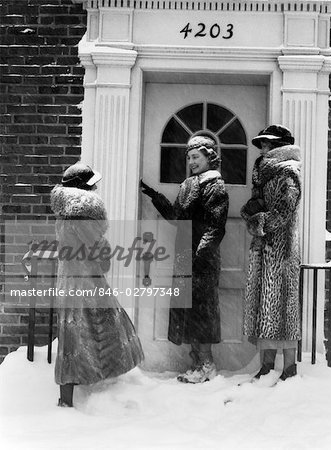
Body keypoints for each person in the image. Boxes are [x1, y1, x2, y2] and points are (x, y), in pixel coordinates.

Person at [51, 162, 144, 407]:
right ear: (85, 189)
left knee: (73, 337)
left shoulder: (65, 213)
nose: (97, 188)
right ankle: (73, 398)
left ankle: (70, 396)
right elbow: (100, 259)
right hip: (85, 284)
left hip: (71, 283)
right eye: (93, 184)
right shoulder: (84, 215)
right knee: (98, 332)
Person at [141, 135, 229, 383]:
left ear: (209, 157)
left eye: (196, 157)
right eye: (189, 157)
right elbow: (176, 217)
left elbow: (216, 227)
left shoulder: (215, 186)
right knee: (187, 311)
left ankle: (207, 365)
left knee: (202, 312)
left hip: (202, 259)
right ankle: (195, 363)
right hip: (184, 256)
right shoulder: (189, 184)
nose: (191, 161)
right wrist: (155, 196)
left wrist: (200, 255)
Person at [241, 125, 302, 381]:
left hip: (283, 251)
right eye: (262, 144)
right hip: (265, 249)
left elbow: (284, 213)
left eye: (267, 144)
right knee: (265, 308)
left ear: (278, 146)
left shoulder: (288, 174)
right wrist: (251, 213)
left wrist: (259, 222)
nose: (263, 148)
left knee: (285, 309)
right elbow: (255, 205)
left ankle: (289, 369)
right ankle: (266, 367)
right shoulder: (263, 174)